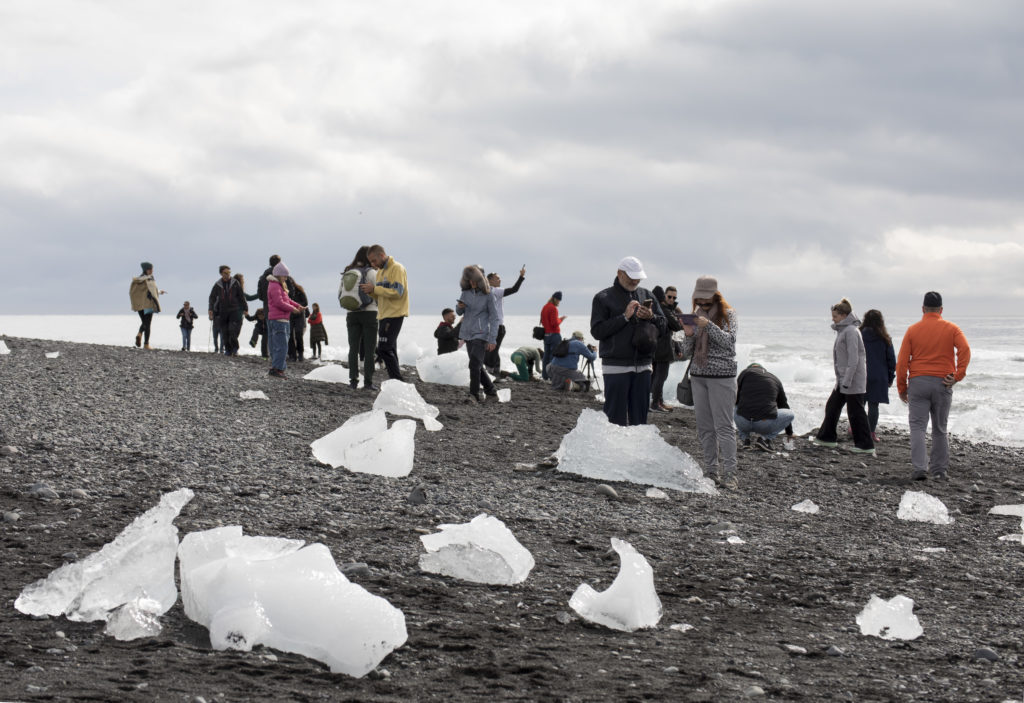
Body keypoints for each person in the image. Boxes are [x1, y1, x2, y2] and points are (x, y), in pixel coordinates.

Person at [896, 291, 971, 481]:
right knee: (940, 428)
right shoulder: (952, 328)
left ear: (923, 309)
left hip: (918, 382)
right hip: (942, 382)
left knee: (918, 427)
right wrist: (957, 375)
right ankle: (939, 470)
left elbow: (902, 361)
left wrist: (902, 387)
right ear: (941, 309)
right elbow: (965, 350)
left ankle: (920, 467)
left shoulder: (913, 330)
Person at [590, 256, 666, 427]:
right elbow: (597, 331)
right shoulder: (603, 297)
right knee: (614, 421)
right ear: (619, 273)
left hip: (644, 365)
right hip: (615, 366)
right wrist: (624, 317)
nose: (634, 280)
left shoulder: (647, 295)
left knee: (639, 422)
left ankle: (637, 453)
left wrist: (651, 317)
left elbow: (664, 327)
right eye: (631, 276)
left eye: (637, 276)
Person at [680, 276, 739, 488]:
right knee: (705, 427)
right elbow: (687, 353)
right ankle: (711, 471)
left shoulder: (728, 314)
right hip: (698, 375)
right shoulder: (695, 316)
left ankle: (730, 475)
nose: (703, 303)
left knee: (724, 426)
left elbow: (729, 343)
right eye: (699, 299)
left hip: (723, 376)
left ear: (715, 295)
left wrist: (709, 326)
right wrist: (688, 334)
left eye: (706, 299)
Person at [811, 298, 875, 455]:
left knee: (856, 412)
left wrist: (846, 381)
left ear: (844, 315)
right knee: (832, 407)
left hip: (852, 380)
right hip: (843, 380)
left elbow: (854, 359)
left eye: (835, 316)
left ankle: (865, 445)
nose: (833, 319)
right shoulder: (843, 331)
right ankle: (827, 438)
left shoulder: (851, 332)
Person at [360, 244, 408, 381]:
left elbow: (397, 292)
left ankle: (397, 380)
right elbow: (381, 294)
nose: (373, 264)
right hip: (383, 314)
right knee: (390, 349)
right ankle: (397, 381)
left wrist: (375, 289)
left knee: (384, 349)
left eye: (374, 261)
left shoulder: (397, 268)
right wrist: (370, 292)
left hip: (395, 314)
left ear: (382, 255)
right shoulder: (380, 272)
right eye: (371, 262)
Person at [457, 266, 499, 401]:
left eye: (474, 280)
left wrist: (492, 339)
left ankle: (474, 394)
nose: (472, 283)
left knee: (474, 365)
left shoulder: (488, 295)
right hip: (468, 333)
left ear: (479, 279)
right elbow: (459, 313)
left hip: (481, 334)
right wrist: (459, 307)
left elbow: (494, 318)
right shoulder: (465, 293)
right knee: (477, 365)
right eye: (469, 280)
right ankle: (491, 392)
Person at [734, 363, 795, 451]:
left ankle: (745, 440)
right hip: (764, 424)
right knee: (790, 414)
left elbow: (735, 397)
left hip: (743, 422)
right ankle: (765, 439)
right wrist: (789, 432)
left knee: (736, 405)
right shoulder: (775, 379)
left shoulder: (744, 373)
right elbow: (784, 406)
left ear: (750, 368)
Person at [344, 246, 379, 390]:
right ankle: (368, 382)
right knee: (369, 349)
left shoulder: (348, 271)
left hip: (351, 313)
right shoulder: (371, 272)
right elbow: (378, 291)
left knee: (353, 348)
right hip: (370, 313)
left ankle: (353, 380)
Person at [860, 309, 897, 442]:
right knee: (873, 406)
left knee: (859, 404)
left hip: (861, 374)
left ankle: (856, 429)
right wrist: (890, 377)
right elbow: (891, 360)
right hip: (879, 376)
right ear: (881, 321)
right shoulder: (885, 338)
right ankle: (870, 433)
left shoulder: (859, 335)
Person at [484, 267, 526, 375]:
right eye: (497, 278)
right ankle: (494, 372)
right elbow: (514, 289)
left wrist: (521, 277)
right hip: (495, 326)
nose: (500, 280)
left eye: (499, 278)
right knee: (493, 350)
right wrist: (521, 277)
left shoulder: (493, 291)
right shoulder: (492, 290)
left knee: (492, 350)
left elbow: (514, 290)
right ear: (489, 280)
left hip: (497, 326)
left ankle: (491, 372)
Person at [266, 261, 304, 378]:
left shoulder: (278, 285)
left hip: (279, 320)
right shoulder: (275, 286)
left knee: (278, 345)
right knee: (281, 346)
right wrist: (293, 309)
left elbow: (287, 300)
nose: (286, 278)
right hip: (279, 321)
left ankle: (277, 368)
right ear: (278, 274)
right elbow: (279, 302)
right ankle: (277, 369)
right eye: (284, 275)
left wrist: (298, 305)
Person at [650, 285, 683, 413]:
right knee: (661, 376)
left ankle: (658, 401)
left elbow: (671, 332)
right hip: (662, 347)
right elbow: (675, 326)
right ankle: (655, 403)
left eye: (674, 298)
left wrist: (677, 347)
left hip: (656, 346)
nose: (672, 299)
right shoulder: (664, 309)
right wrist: (682, 320)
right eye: (669, 296)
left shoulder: (661, 308)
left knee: (658, 376)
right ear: (664, 296)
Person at [208, 265, 247, 356]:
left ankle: (235, 349)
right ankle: (228, 350)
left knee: (232, 330)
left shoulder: (235, 283)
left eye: (229, 273)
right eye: (225, 273)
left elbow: (241, 296)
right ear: (221, 273)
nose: (228, 275)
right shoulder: (218, 284)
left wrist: (245, 308)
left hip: (234, 310)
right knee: (225, 332)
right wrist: (210, 309)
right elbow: (212, 297)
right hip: (223, 311)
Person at [129, 262, 165, 349]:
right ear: (147, 270)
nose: (152, 271)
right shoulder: (149, 279)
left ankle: (139, 334)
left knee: (144, 322)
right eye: (151, 269)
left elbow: (133, 292)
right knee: (148, 323)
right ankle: (146, 344)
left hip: (139, 304)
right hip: (148, 304)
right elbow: (153, 291)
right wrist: (160, 292)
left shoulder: (137, 280)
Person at [255, 255, 281, 358]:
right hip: (279, 308)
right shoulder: (281, 275)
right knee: (280, 332)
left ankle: (267, 354)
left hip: (267, 308)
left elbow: (260, 295)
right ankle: (279, 354)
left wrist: (266, 300)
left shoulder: (262, 277)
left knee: (268, 332)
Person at [540, 292, 566, 380]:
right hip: (554, 335)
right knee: (553, 356)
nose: (559, 302)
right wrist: (561, 319)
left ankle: (545, 376)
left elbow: (543, 322)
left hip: (546, 335)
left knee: (545, 357)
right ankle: (552, 377)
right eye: (558, 300)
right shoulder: (553, 308)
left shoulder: (544, 307)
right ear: (554, 298)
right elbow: (554, 323)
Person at [287, 282, 309, 362]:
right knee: (289, 335)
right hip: (290, 315)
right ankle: (292, 355)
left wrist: (296, 306)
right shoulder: (285, 291)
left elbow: (305, 303)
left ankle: (300, 354)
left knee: (298, 334)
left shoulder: (300, 291)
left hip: (299, 315)